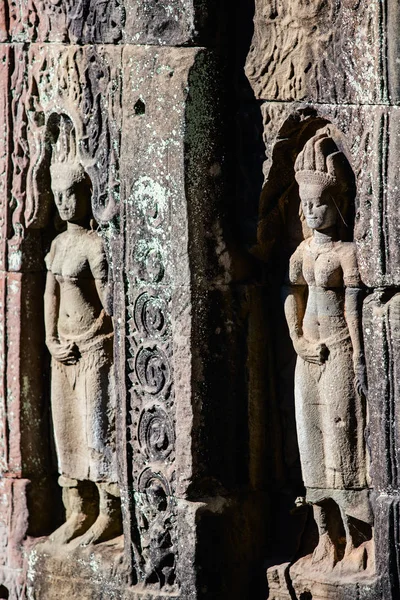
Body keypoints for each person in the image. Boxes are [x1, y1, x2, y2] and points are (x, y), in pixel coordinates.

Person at [284, 130, 371, 570]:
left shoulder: (347, 254)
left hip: (337, 350)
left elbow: (354, 311)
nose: (310, 211)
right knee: (311, 442)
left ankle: (356, 539)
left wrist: (357, 357)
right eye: (304, 204)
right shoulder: (301, 252)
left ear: (336, 206)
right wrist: (298, 340)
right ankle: (324, 538)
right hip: (309, 356)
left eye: (317, 203)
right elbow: (291, 297)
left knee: (342, 441)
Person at [44, 158, 121, 545]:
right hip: (63, 351)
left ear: (85, 195)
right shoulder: (59, 244)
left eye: (69, 195)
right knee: (67, 431)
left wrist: (93, 334)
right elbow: (51, 293)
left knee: (97, 428)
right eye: (57, 197)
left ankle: (110, 511)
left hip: (93, 348)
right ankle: (78, 509)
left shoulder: (94, 246)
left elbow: (110, 301)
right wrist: (49, 339)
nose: (63, 203)